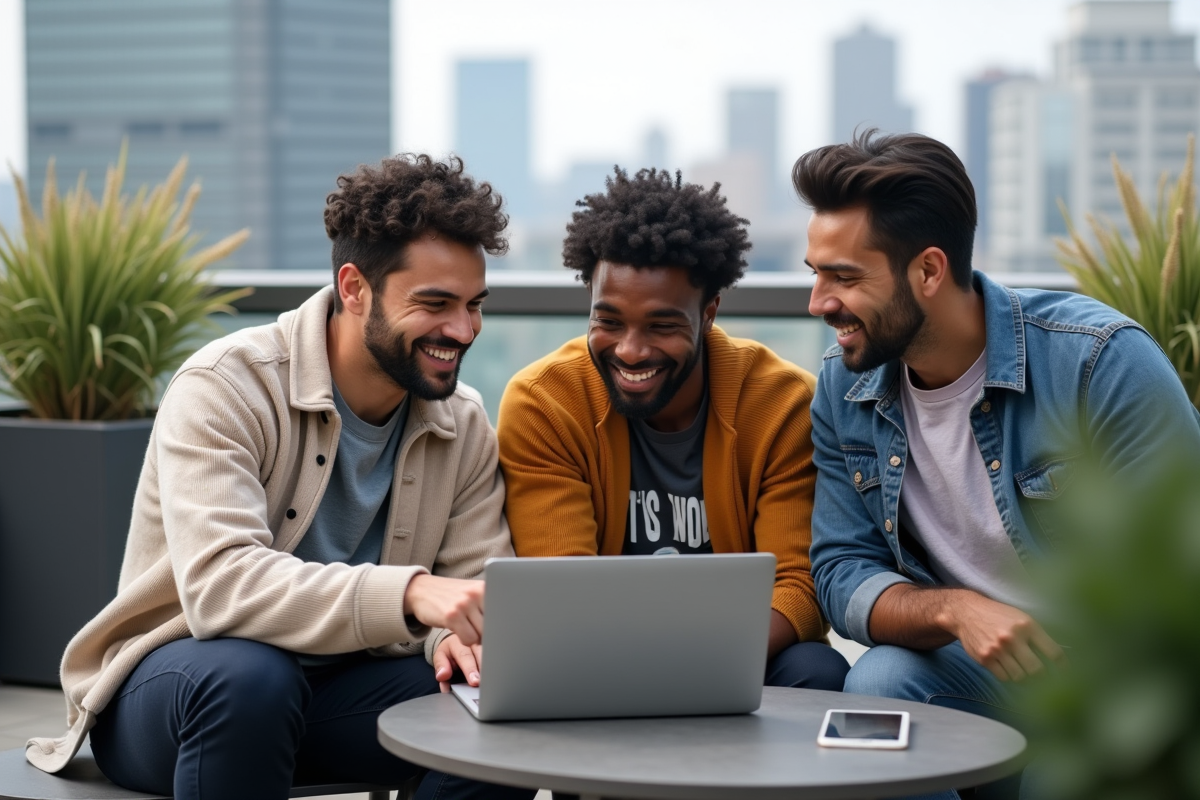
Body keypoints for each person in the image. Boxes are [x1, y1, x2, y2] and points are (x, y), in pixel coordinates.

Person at [26, 155, 536, 800]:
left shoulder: (461, 423)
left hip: (339, 694)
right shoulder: (225, 386)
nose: (462, 330)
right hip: (183, 691)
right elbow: (221, 588)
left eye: (473, 305)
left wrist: (453, 642)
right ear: (355, 289)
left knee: (490, 711)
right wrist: (410, 594)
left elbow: (469, 599)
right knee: (251, 678)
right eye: (435, 304)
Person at [795, 131, 1200, 797]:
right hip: (979, 675)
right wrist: (957, 610)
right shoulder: (846, 387)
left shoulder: (1099, 362)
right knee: (879, 682)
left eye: (843, 277)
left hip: (1109, 678)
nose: (818, 302)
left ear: (928, 271)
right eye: (815, 272)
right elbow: (842, 571)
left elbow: (1178, 579)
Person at [496, 167, 850, 690]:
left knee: (817, 671)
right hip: (597, 657)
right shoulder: (546, 403)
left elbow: (796, 587)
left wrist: (693, 661)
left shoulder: (781, 403)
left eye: (662, 326)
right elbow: (562, 591)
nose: (631, 350)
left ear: (708, 313)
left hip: (741, 651)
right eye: (608, 321)